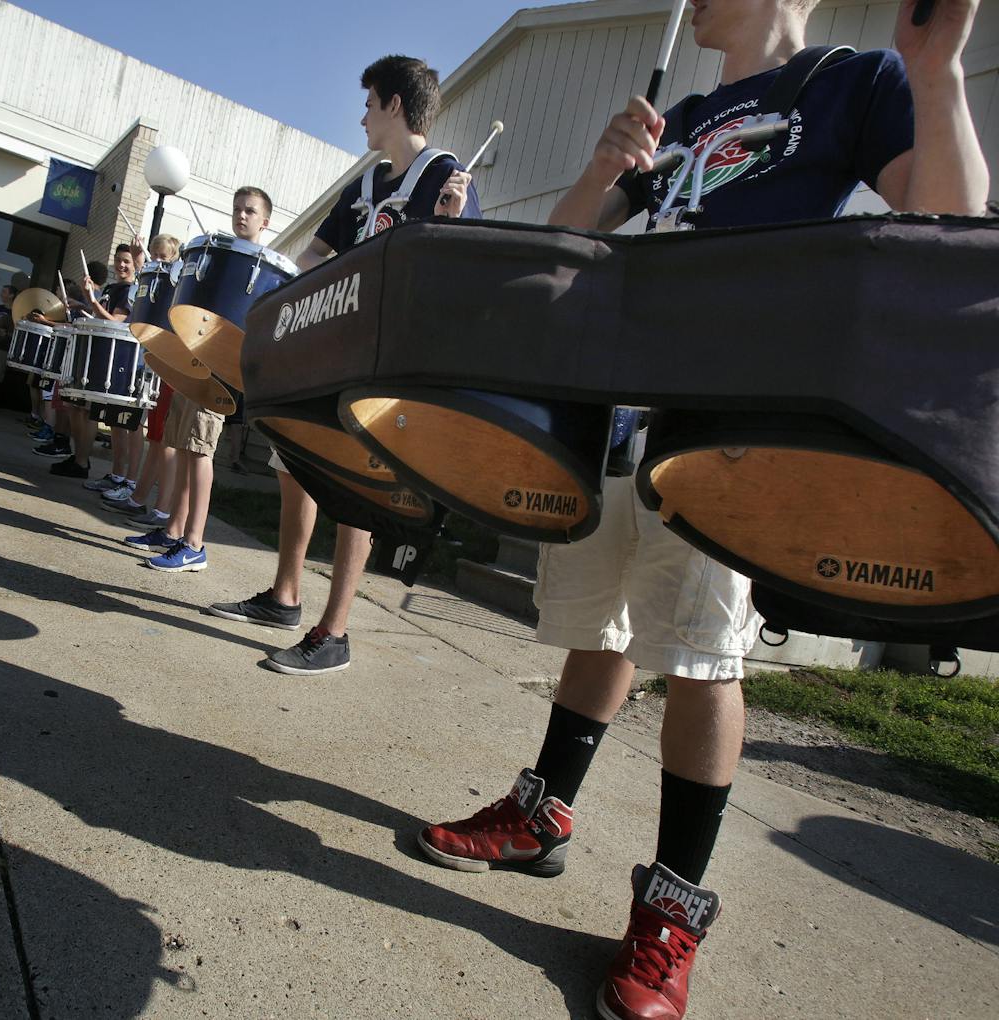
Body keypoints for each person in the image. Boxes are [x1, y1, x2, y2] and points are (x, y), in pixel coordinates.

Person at [417, 4, 988, 1019]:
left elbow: (944, 218)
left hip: (734, 426)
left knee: (699, 655)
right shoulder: (677, 112)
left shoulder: (847, 83)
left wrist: (935, 72)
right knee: (600, 631)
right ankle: (540, 815)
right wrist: (601, 170)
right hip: (629, 406)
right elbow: (566, 246)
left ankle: (671, 908)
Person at [207, 55, 479, 671]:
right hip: (334, 351)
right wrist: (274, 292)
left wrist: (451, 226)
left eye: (368, 103)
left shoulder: (447, 179)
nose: (360, 117)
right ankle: (285, 597)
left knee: (356, 484)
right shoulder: (363, 185)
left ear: (394, 106)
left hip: (389, 362)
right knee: (297, 465)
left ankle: (334, 632)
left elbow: (463, 274)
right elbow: (314, 253)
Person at [130, 187, 283, 573]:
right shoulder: (224, 256)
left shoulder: (264, 270)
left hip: (220, 370)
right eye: (237, 209)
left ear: (265, 221)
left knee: (199, 451)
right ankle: (174, 530)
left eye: (250, 211)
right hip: (193, 360)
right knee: (181, 446)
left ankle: (195, 543)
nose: (241, 216)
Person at [103, 233, 181, 526]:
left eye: (164, 257)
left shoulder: (175, 286)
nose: (157, 262)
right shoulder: (156, 286)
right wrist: (140, 261)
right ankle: (138, 499)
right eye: (154, 255)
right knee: (157, 438)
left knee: (166, 442)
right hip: (156, 365)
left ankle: (161, 510)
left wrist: (143, 262)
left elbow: (161, 286)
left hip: (171, 367)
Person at [82, 242, 147, 496]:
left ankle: (130, 482)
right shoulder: (111, 288)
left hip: (126, 363)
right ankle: (117, 475)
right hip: (110, 361)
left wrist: (91, 300)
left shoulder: (131, 290)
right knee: (115, 424)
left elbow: (117, 322)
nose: (121, 265)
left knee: (130, 425)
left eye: (127, 261)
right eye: (118, 260)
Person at [50, 262, 109, 478]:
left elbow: (111, 322)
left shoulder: (108, 294)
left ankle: (82, 461)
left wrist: (88, 302)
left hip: (95, 358)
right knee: (75, 409)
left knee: (85, 412)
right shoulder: (106, 293)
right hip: (84, 354)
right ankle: (78, 459)